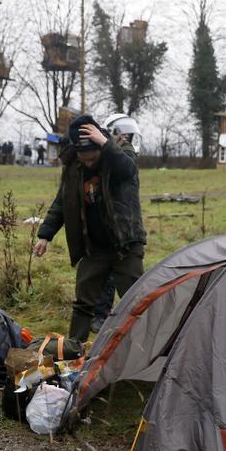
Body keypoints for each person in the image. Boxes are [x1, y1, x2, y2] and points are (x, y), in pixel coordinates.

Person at [33, 115, 145, 342]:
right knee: (83, 303)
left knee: (136, 302)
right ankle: (73, 352)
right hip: (95, 247)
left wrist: (105, 143)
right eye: (83, 159)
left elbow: (128, 171)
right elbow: (63, 201)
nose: (88, 163)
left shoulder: (121, 153)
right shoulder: (74, 166)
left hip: (125, 244)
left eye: (93, 158)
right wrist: (45, 235)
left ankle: (144, 351)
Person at [90, 114, 141, 332]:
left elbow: (125, 165)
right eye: (125, 135)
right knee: (106, 275)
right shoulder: (109, 153)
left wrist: (104, 144)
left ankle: (137, 318)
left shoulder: (125, 153)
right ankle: (100, 315)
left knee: (128, 279)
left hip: (125, 229)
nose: (127, 140)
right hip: (108, 225)